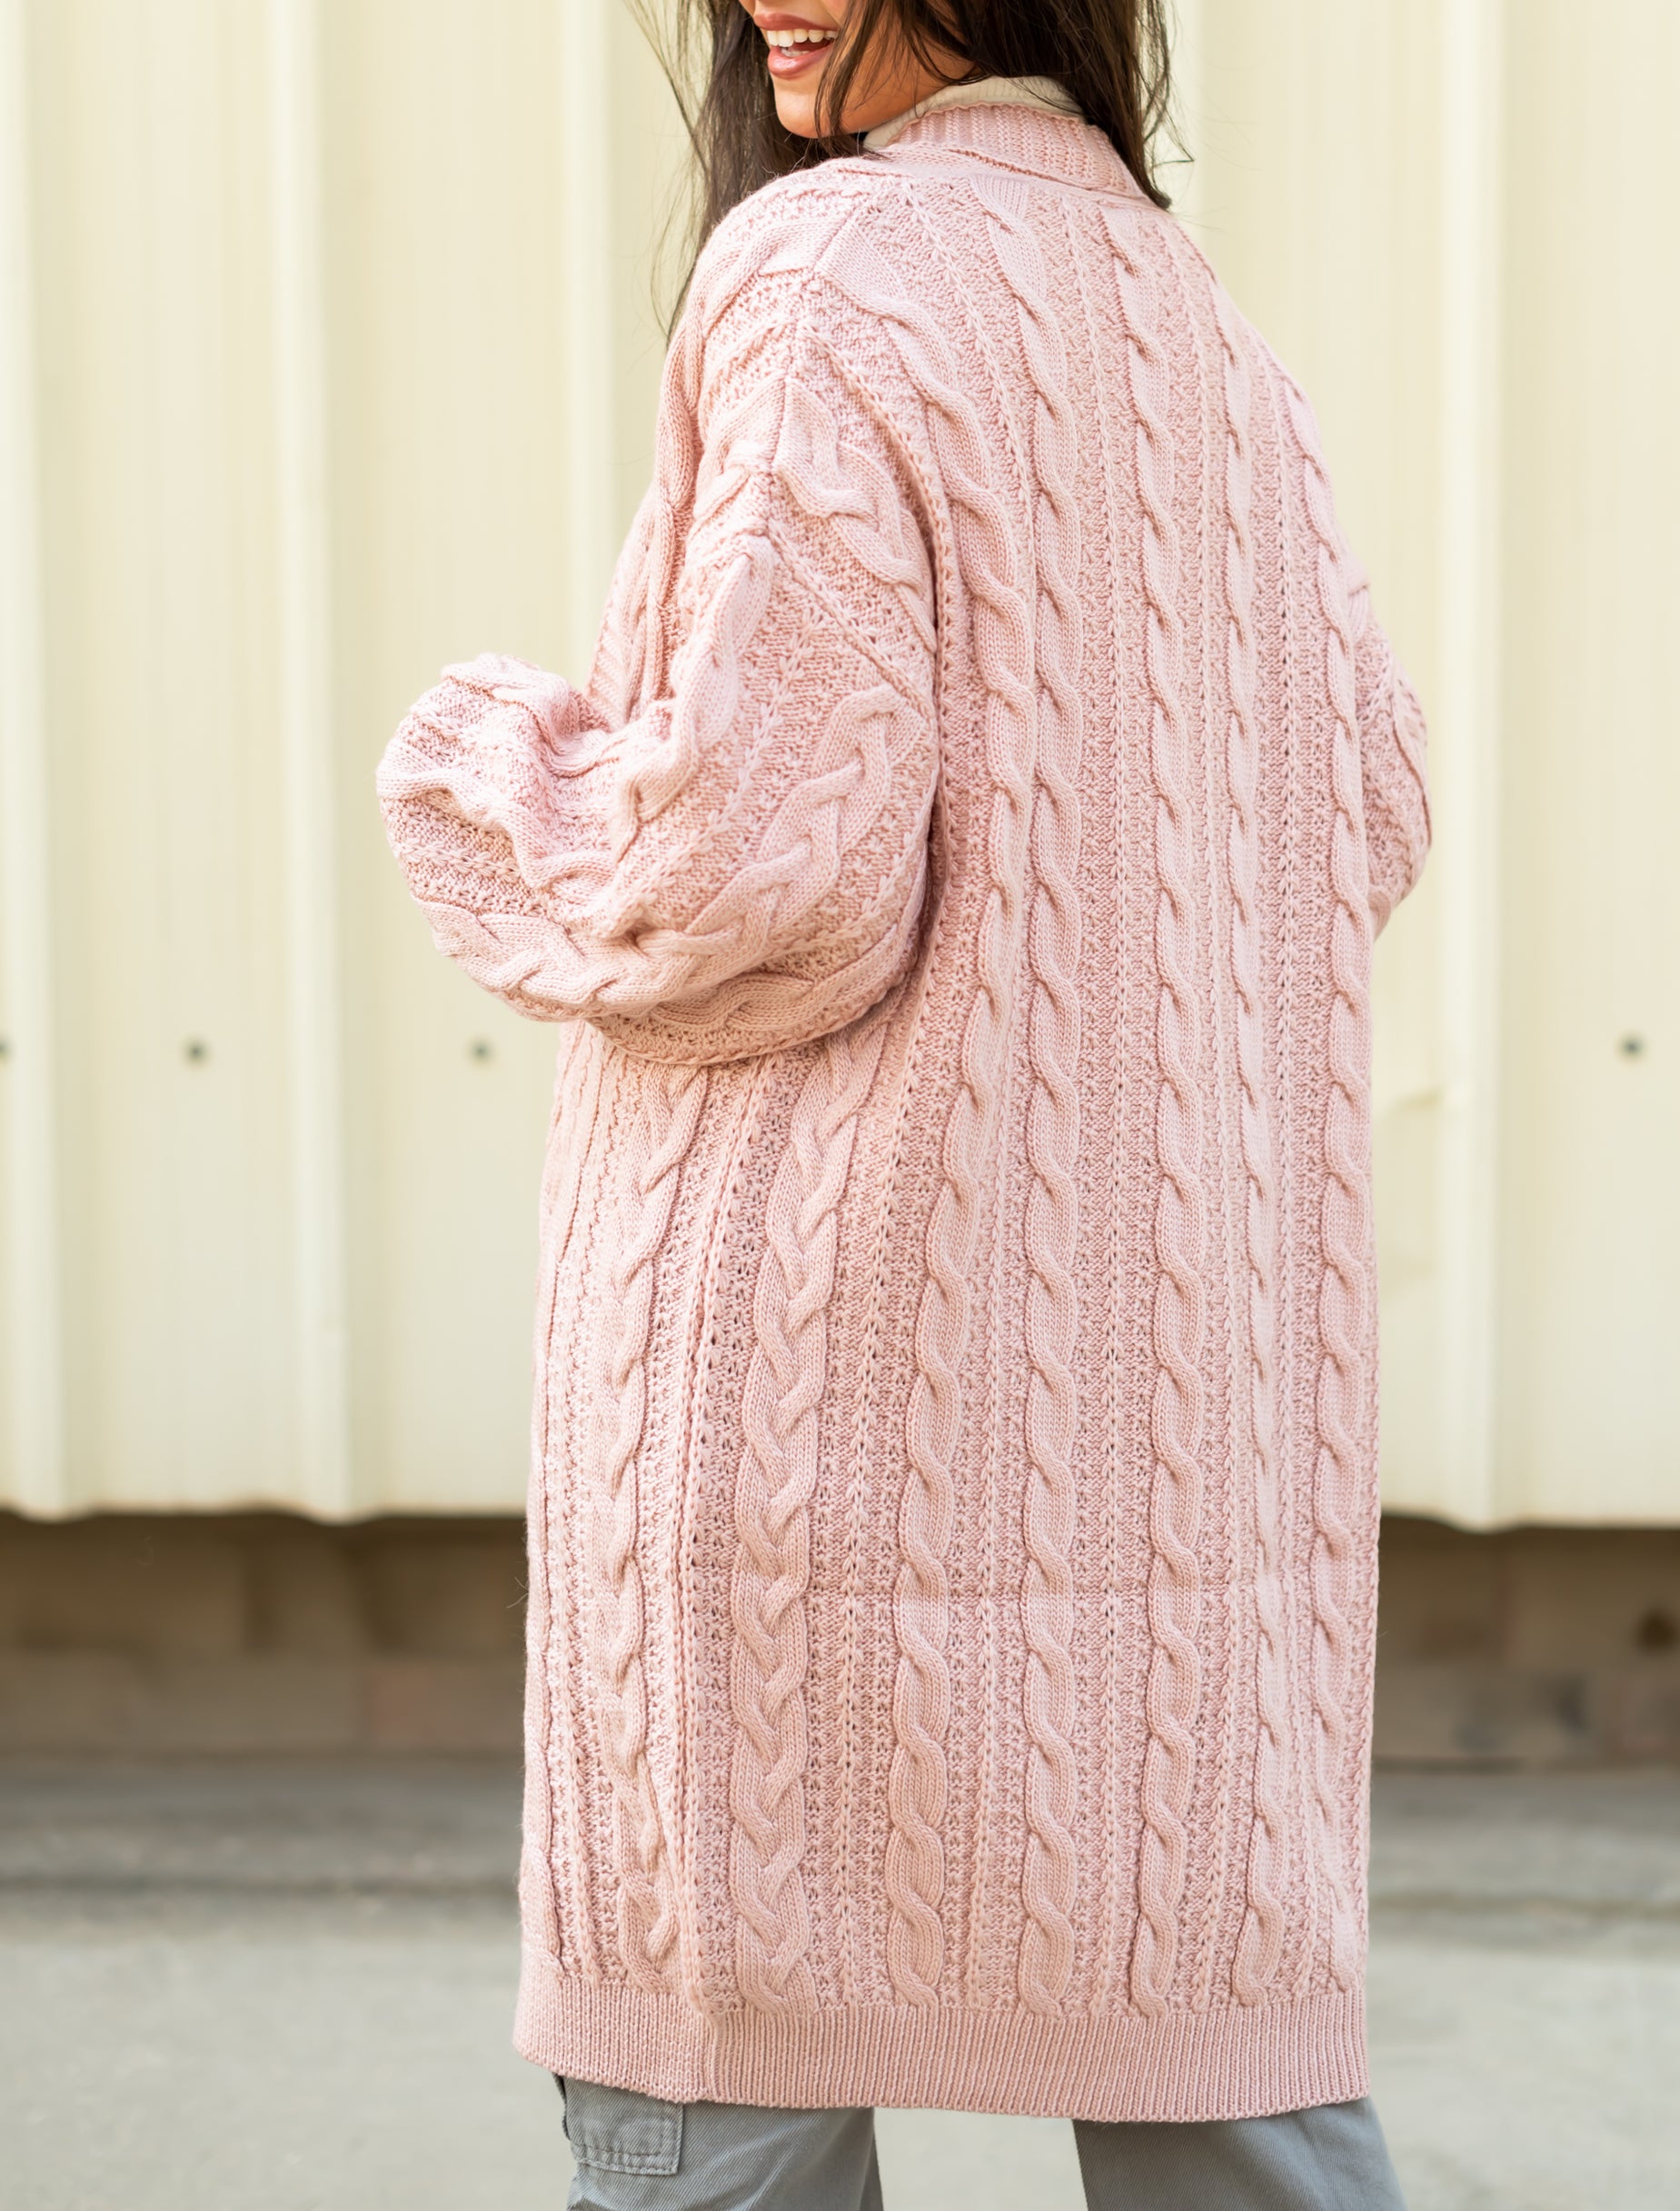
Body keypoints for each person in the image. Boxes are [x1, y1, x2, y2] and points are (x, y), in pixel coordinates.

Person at [379, 0, 1429, 2200]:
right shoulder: (1200, 333)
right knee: (1218, 2055)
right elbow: (1371, 804)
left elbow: (752, 866)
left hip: (798, 1406)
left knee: (722, 2090)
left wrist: (486, 768)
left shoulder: (825, 264)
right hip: (1166, 1433)